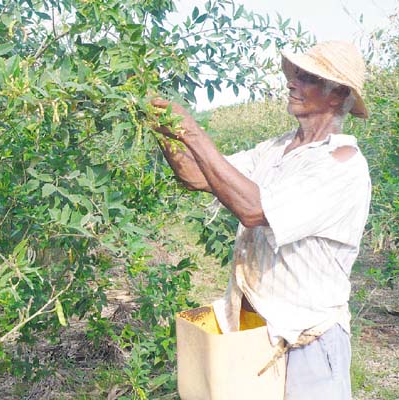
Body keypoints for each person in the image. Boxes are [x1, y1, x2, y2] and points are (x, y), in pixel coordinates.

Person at [151, 41, 371, 400]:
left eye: (307, 78)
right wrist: (166, 130)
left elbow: (254, 210)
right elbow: (197, 175)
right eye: (294, 75)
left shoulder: (341, 165)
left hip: (308, 341)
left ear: (338, 95)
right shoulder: (275, 149)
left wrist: (192, 132)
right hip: (257, 330)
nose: (292, 83)